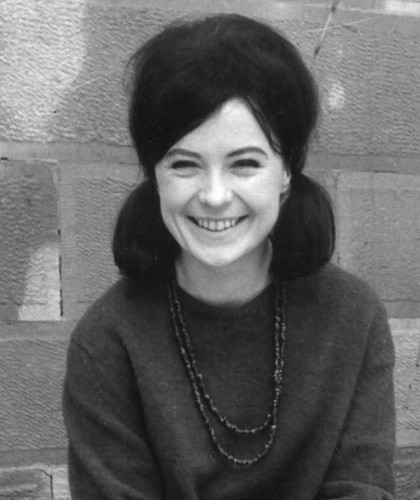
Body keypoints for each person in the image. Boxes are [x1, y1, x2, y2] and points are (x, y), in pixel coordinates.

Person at [63, 13, 395, 500]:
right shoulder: (108, 342)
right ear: (154, 176)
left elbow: (361, 487)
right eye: (184, 164)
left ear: (286, 172)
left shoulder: (352, 316)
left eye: (244, 164)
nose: (215, 196)